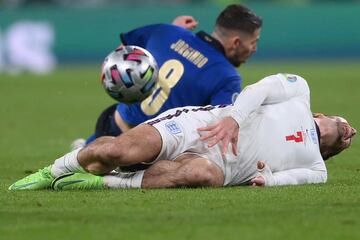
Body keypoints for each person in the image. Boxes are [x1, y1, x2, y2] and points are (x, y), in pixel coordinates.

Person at [9, 73, 356, 190]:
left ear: (331, 151)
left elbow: (284, 181)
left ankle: (101, 183)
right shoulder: (300, 92)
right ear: (321, 114)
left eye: (349, 137)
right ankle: (52, 171)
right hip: (200, 126)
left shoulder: (317, 169)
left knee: (199, 173)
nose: (350, 131)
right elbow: (261, 89)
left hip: (224, 166)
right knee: (117, 152)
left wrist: (268, 180)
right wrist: (233, 119)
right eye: (345, 124)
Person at [82, 4, 262, 147]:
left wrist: (174, 32)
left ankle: (85, 149)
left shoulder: (165, 31)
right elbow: (216, 131)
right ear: (236, 42)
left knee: (74, 164)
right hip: (145, 153)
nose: (254, 49)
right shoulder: (228, 77)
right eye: (253, 42)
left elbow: (122, 55)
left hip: (111, 126)